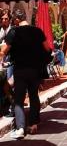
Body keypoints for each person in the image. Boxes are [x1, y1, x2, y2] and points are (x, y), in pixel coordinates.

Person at [0, 9, 52, 139]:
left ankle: (21, 128)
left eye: (13, 20)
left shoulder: (14, 32)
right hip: (35, 70)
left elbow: (3, 51)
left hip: (20, 69)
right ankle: (34, 124)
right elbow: (48, 49)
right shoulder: (37, 31)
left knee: (19, 99)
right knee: (34, 96)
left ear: (17, 20)